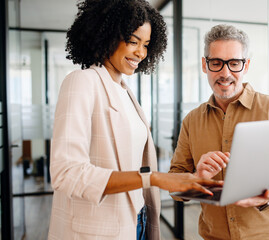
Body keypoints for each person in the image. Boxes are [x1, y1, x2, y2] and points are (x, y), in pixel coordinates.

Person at [48, 1, 222, 239]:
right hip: (98, 228)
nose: (141, 53)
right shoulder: (82, 82)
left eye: (146, 45)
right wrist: (156, 179)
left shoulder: (125, 91)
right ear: (106, 35)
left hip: (136, 219)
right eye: (133, 41)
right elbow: (66, 172)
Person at [169, 24, 269, 240]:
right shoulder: (192, 121)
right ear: (205, 65)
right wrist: (197, 179)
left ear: (246, 65)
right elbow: (173, 188)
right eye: (216, 63)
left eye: (234, 63)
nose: (225, 73)